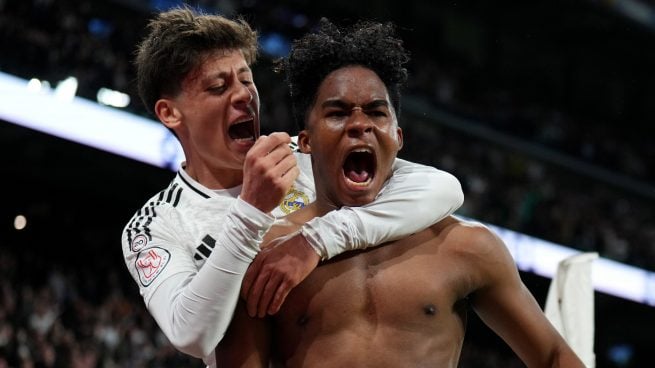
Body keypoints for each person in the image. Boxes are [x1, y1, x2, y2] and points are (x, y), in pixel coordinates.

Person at [216, 19, 585, 367]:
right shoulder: (266, 254)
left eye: (377, 113)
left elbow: (554, 355)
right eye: (338, 113)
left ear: (398, 137)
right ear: (306, 142)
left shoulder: (466, 247)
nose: (360, 125)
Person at [120, 7, 464, 368]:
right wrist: (250, 212)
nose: (242, 96)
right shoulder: (154, 225)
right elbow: (191, 334)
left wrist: (317, 240)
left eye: (245, 80)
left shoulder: (304, 154)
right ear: (170, 113)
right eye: (218, 87)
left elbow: (443, 189)